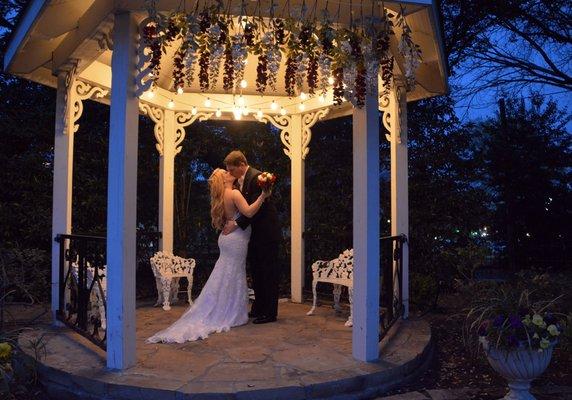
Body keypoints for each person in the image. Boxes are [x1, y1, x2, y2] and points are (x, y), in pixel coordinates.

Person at [147, 168, 269, 343]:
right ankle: (231, 312)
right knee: (232, 274)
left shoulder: (222, 196)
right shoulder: (234, 193)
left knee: (226, 274)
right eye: (225, 172)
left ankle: (225, 308)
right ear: (225, 179)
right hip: (236, 240)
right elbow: (249, 212)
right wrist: (263, 196)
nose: (229, 172)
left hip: (227, 239)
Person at [223, 150, 282, 324]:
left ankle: (269, 313)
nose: (230, 173)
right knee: (257, 272)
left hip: (266, 233)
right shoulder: (241, 180)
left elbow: (257, 209)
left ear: (241, 164)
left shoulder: (257, 178)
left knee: (267, 273)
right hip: (254, 235)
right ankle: (259, 308)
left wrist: (237, 223)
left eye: (232, 169)